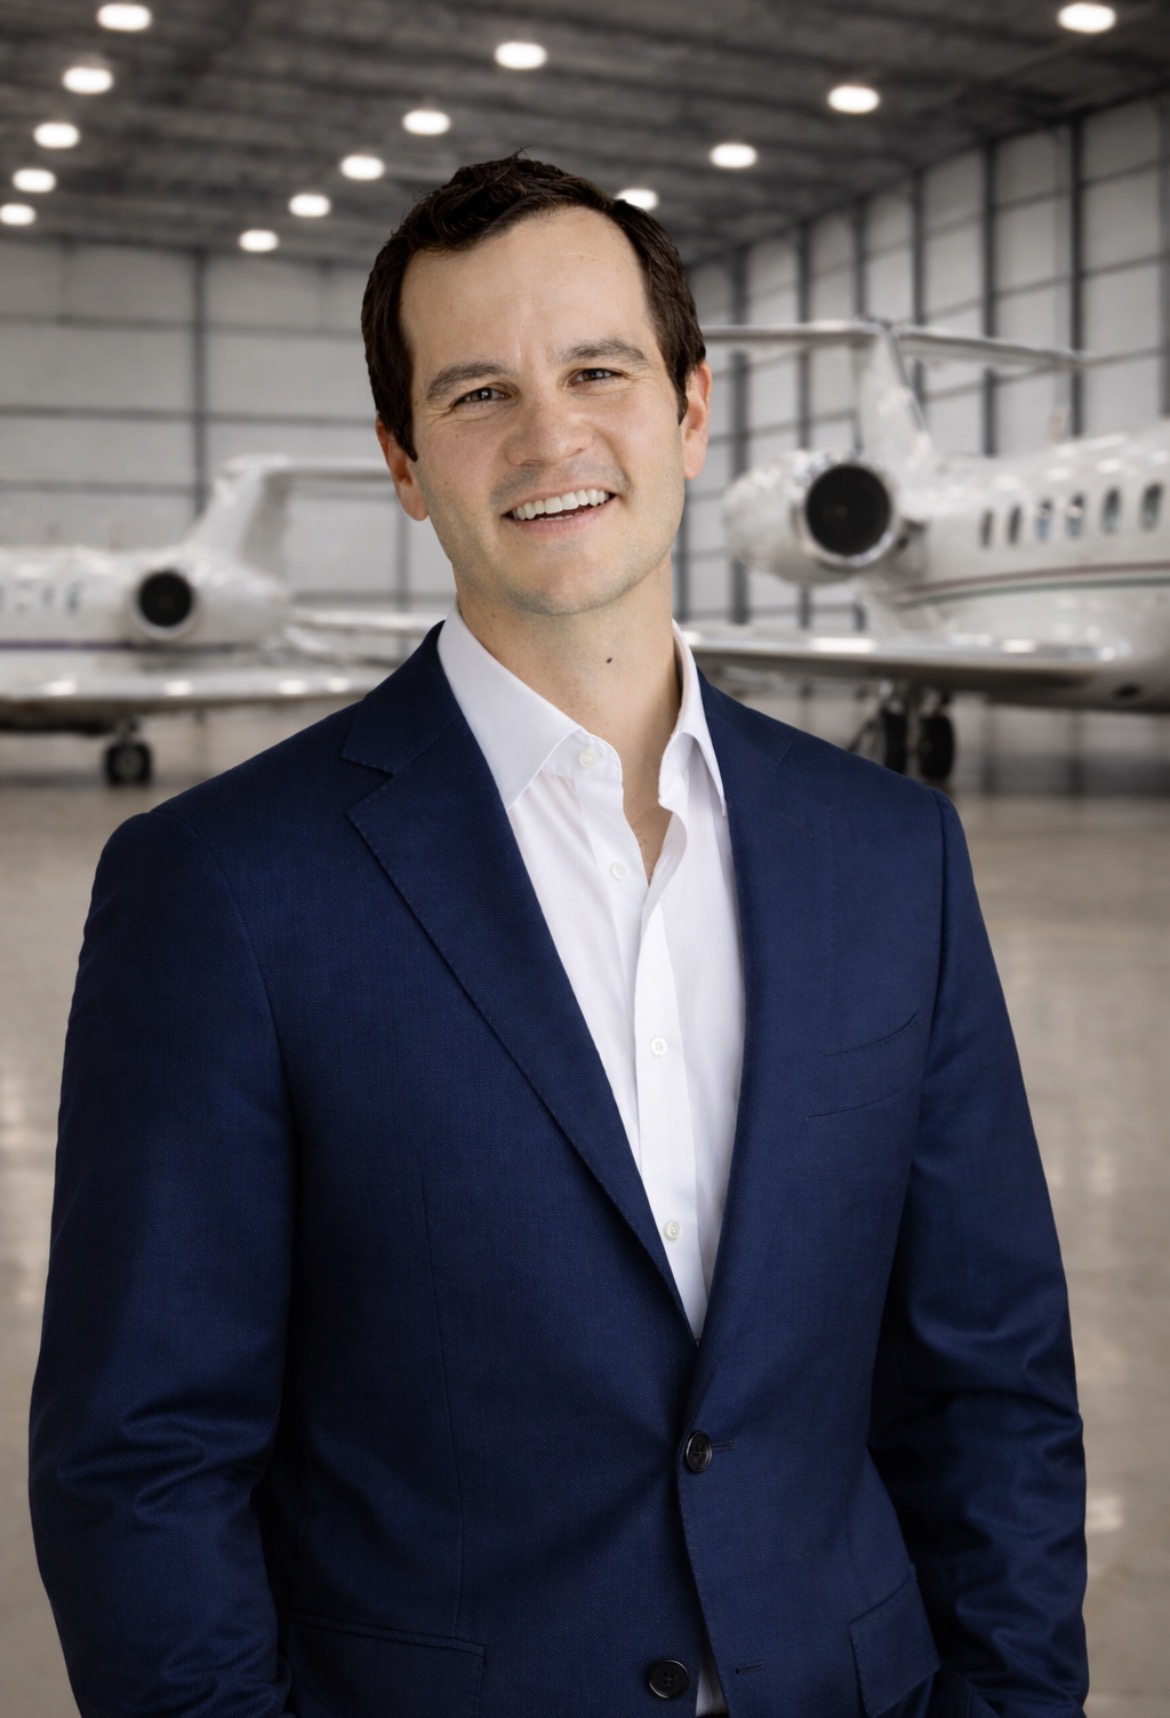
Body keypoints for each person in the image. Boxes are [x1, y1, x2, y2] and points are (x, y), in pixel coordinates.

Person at [30, 155, 1087, 1718]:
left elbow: (987, 1380)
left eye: (598, 370)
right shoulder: (220, 886)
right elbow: (143, 1463)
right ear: (404, 464)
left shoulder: (890, 855)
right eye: (478, 393)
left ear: (690, 410)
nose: (549, 437)